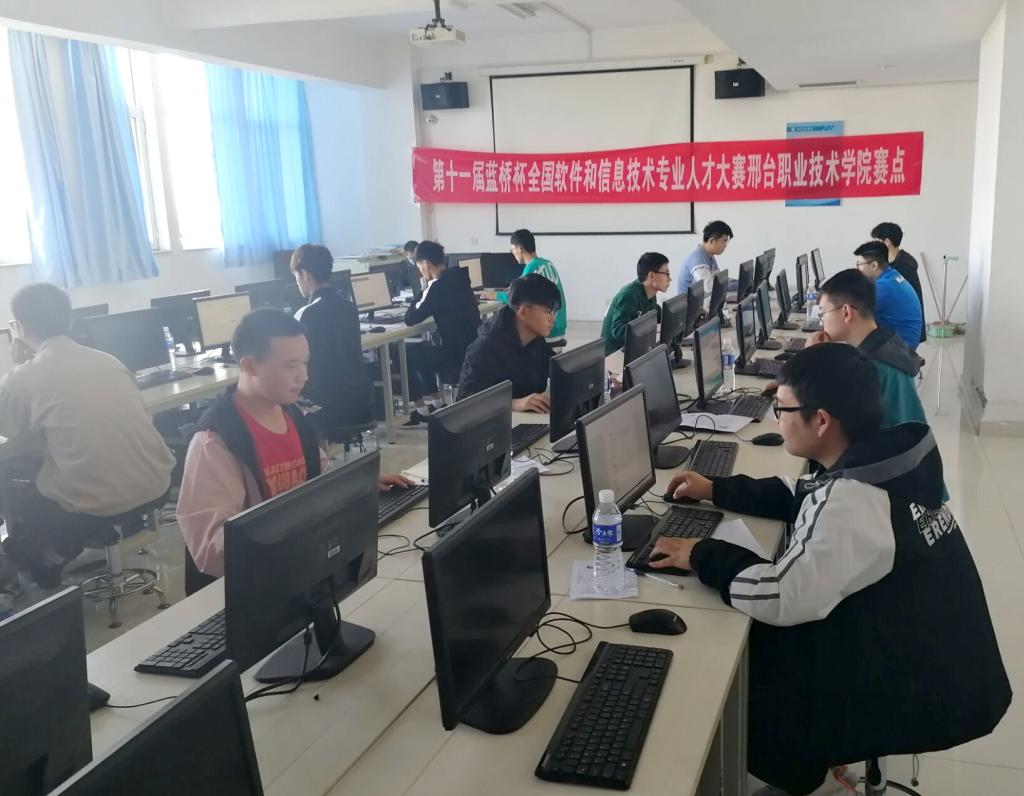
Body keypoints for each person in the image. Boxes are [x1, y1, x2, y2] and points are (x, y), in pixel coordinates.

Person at [649, 344, 1010, 796]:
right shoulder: (883, 458)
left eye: (782, 409)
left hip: (926, 687)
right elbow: (805, 492)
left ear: (821, 420)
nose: (776, 420)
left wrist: (702, 554)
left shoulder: (854, 499)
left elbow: (782, 596)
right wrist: (717, 489)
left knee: (745, 661)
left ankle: (805, 778)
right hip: (944, 655)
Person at [177, 309, 411, 591]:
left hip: (303, 571)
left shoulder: (293, 416)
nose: (304, 376)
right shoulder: (215, 442)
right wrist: (293, 531)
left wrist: (356, 487)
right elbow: (209, 551)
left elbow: (318, 478)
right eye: (290, 366)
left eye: (305, 362)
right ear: (250, 366)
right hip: (253, 587)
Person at [0, 283, 176, 587]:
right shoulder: (110, 361)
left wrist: (18, 367)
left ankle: (42, 562)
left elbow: (9, 429)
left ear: (21, 328)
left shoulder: (25, 377)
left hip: (96, 503)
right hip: (157, 486)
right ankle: (63, 547)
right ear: (69, 320)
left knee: (23, 491)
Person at [811, 269, 925, 428]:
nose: (821, 322)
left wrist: (811, 358)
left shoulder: (867, 368)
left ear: (846, 312)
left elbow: (821, 416)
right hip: (907, 441)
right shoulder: (886, 341)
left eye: (822, 314)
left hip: (886, 443)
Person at [290, 243, 373, 440]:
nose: (298, 283)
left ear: (305, 275)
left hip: (326, 407)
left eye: (296, 278)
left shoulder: (305, 314)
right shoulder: (349, 307)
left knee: (279, 395)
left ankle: (310, 454)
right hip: (361, 403)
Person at [403, 240, 481, 425]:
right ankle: (436, 403)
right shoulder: (460, 279)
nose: (420, 271)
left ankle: (424, 409)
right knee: (424, 348)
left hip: (456, 355)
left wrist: (423, 288)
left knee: (411, 352)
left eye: (419, 267)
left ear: (426, 264)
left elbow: (410, 318)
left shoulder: (436, 286)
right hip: (474, 350)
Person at [458, 274, 559, 412]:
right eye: (548, 312)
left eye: (554, 313)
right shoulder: (485, 348)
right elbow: (464, 401)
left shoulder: (535, 340)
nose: (552, 319)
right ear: (524, 311)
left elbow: (558, 369)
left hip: (525, 419)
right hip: (496, 423)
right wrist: (513, 403)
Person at [482, 228, 568, 346]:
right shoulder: (548, 263)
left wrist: (495, 295)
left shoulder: (531, 269)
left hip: (547, 332)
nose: (513, 253)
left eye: (513, 249)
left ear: (520, 249)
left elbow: (516, 299)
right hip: (559, 326)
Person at [853, 241, 922, 350]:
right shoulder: (892, 276)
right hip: (904, 342)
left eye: (859, 264)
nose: (857, 269)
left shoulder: (884, 287)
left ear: (874, 265)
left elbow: (853, 313)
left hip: (900, 349)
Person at [601, 252, 669, 355]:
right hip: (615, 354)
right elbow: (618, 331)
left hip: (634, 348)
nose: (670, 279)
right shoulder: (628, 295)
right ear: (651, 275)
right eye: (666, 274)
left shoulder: (650, 292)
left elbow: (655, 312)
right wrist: (647, 330)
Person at [872, 222, 926, 344]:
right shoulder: (898, 261)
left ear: (886, 242)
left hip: (905, 328)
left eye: (876, 241)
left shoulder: (902, 266)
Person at [677, 220, 732, 301]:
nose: (725, 245)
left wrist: (738, 283)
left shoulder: (709, 256)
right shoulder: (697, 258)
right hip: (689, 307)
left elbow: (720, 280)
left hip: (702, 303)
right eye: (724, 241)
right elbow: (709, 287)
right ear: (712, 241)